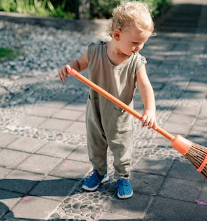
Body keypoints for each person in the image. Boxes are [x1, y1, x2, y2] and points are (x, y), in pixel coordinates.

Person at [58, 1, 157, 199]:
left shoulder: (135, 61)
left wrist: (150, 110)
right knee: (96, 144)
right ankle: (99, 172)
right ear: (117, 35)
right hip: (95, 109)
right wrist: (68, 67)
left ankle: (122, 176)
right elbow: (78, 63)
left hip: (120, 114)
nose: (139, 47)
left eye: (143, 42)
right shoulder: (95, 52)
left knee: (121, 146)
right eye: (136, 42)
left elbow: (146, 86)